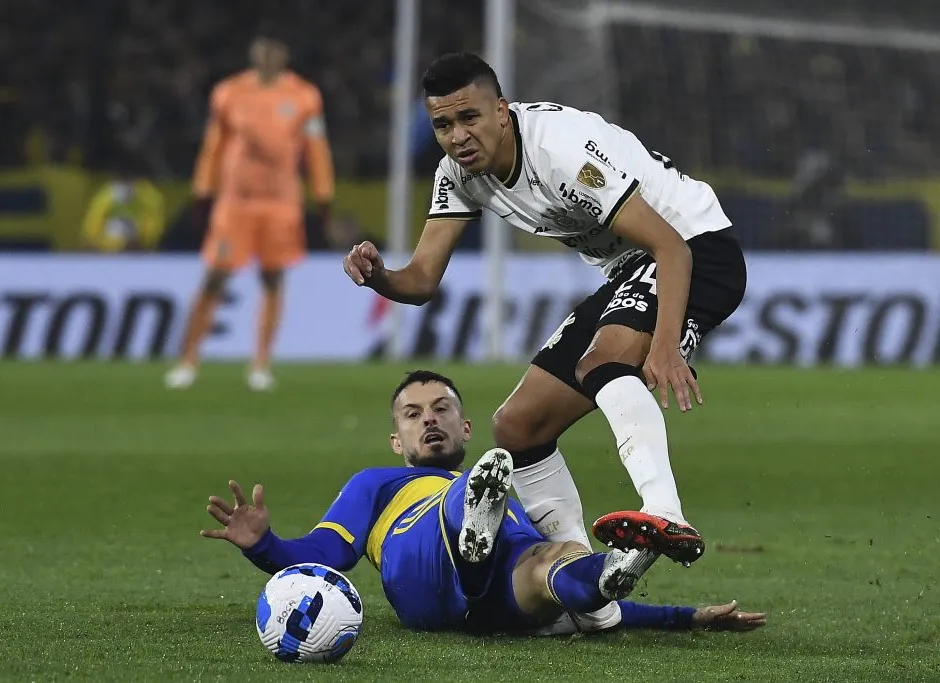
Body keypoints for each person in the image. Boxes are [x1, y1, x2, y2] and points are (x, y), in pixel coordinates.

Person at [342, 53, 748, 579]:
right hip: (631, 267)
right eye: (443, 125)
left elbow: (671, 247)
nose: (458, 137)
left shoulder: (560, 150)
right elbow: (420, 281)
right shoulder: (459, 174)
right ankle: (575, 576)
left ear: (501, 112)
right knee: (518, 427)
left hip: (695, 248)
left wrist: (665, 344)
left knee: (603, 362)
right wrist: (379, 275)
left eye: (470, 117)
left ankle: (666, 513)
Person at [201, 370, 766, 636]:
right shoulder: (377, 485)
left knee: (555, 563)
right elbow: (324, 556)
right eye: (414, 414)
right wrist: (264, 546)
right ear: (397, 441)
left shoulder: (492, 484)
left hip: (495, 604)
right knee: (474, 495)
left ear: (465, 426)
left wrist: (685, 617)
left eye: (441, 409)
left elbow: (597, 617)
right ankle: (471, 535)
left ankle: (616, 570)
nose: (429, 420)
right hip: (422, 576)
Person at [166, 33, 335, 392]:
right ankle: (188, 361)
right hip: (236, 202)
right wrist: (203, 189)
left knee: (273, 279)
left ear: (284, 54)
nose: (267, 55)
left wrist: (323, 193)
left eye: (274, 49)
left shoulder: (304, 96)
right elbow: (214, 145)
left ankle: (261, 364)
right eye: (262, 48)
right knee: (214, 278)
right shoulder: (229, 93)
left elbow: (315, 147)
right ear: (253, 52)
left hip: (280, 204)